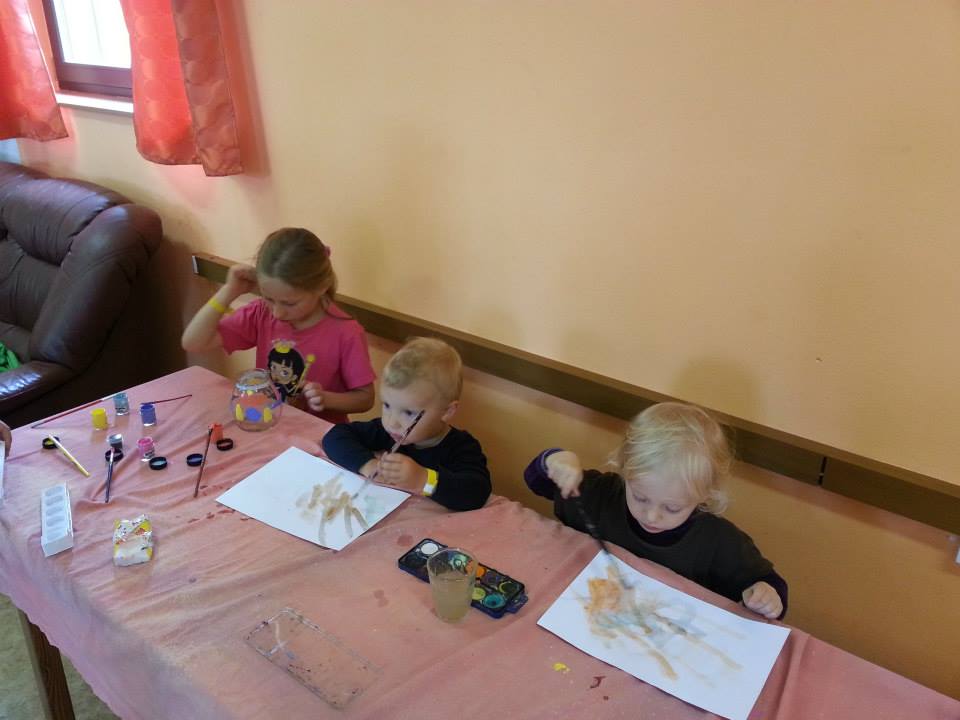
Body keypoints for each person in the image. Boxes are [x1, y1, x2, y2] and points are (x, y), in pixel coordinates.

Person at [525, 402, 787, 619]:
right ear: (625, 472)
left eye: (672, 508)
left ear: (704, 495)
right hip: (591, 613)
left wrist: (765, 595)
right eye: (640, 497)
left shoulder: (719, 541)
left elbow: (767, 583)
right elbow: (538, 482)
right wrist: (555, 460)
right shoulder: (602, 495)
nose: (651, 516)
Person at [181, 228, 376, 424]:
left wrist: (326, 398)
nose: (277, 313)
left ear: (322, 286)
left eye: (289, 303)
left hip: (320, 435)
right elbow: (193, 342)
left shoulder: (346, 332)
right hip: (269, 425)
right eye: (269, 298)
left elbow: (365, 399)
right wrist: (229, 291)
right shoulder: (261, 312)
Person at [323, 337, 491, 511]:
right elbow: (335, 436)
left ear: (447, 411)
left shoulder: (461, 447)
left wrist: (423, 479)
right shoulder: (387, 432)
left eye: (409, 413)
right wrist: (367, 464)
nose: (392, 422)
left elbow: (476, 494)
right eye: (387, 405)